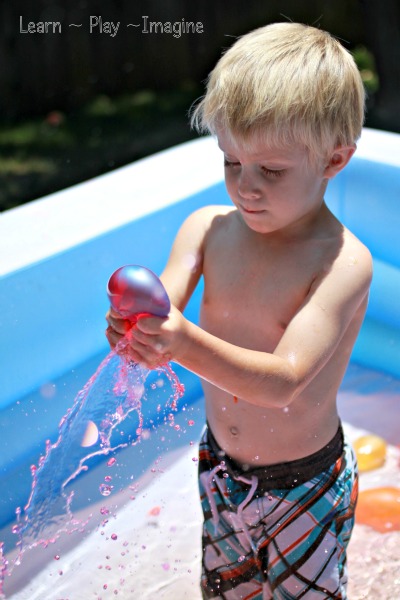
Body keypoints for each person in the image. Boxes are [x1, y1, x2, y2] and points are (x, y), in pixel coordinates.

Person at [106, 22, 372, 599]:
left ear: (335, 159)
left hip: (304, 483)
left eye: (270, 171)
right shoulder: (206, 230)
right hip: (222, 471)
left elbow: (284, 384)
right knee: (226, 593)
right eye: (231, 162)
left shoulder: (341, 262)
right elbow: (162, 321)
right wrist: (137, 331)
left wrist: (178, 341)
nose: (244, 188)